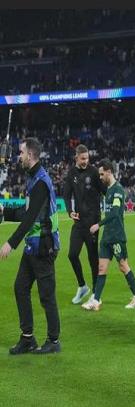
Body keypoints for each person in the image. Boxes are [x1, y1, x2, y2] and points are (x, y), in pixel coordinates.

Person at [0, 137, 61, 354]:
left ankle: (53, 341)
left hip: (44, 246)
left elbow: (29, 219)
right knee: (20, 287)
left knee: (46, 295)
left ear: (31, 155)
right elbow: (26, 212)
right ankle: (28, 338)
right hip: (33, 245)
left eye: (21, 152)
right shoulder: (33, 178)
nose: (19, 156)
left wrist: (10, 243)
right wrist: (4, 213)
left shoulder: (41, 182)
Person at [81, 159, 135, 311]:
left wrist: (98, 224)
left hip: (116, 236)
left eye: (102, 174)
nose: (100, 177)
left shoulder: (118, 190)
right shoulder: (108, 190)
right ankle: (96, 301)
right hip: (107, 237)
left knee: (123, 266)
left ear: (109, 172)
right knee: (102, 268)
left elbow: (114, 213)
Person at [63, 144, 106, 304]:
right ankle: (82, 286)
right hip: (79, 222)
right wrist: (70, 211)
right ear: (76, 157)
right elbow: (66, 195)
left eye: (87, 158)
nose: (85, 161)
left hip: (93, 222)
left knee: (93, 258)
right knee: (72, 255)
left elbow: (104, 190)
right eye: (82, 158)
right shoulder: (71, 173)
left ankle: (95, 293)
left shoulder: (94, 172)